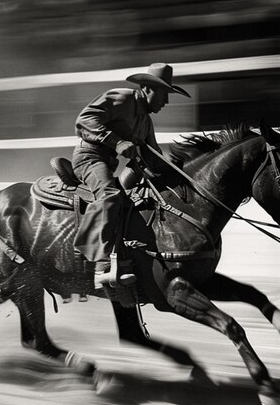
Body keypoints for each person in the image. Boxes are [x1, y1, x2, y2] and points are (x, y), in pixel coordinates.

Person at [72, 62, 191, 288]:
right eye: (164, 94)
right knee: (110, 195)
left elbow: (154, 156)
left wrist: (180, 173)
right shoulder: (123, 98)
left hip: (108, 165)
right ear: (147, 89)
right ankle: (100, 267)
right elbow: (84, 120)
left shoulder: (146, 122)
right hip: (89, 158)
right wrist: (116, 143)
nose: (165, 102)